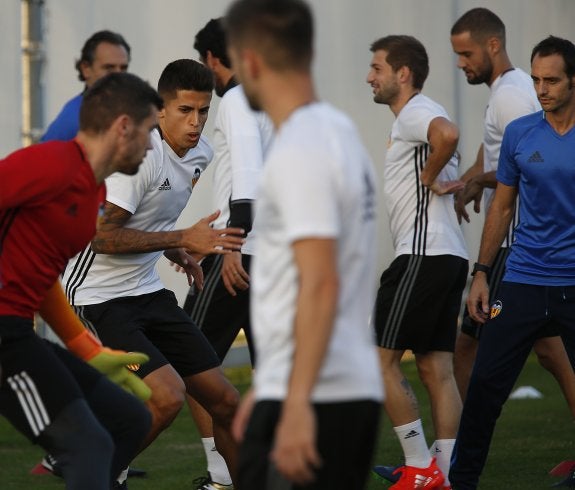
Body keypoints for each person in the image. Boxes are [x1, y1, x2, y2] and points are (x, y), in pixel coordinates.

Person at [62, 58, 245, 487]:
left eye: (203, 110)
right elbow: (102, 238)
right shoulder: (140, 158)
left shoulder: (202, 152)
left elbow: (154, 220)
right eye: (185, 110)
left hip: (146, 290)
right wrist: (182, 237)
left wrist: (180, 251)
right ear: (160, 110)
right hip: (97, 296)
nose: (196, 121)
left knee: (226, 402)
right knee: (167, 397)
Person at [225, 1, 383, 488]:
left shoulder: (300, 150)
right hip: (332, 385)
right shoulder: (338, 132)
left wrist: (294, 403)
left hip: (317, 396)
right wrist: (271, 383)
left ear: (249, 61)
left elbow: (320, 281)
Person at [0, 72, 162, 490]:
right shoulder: (50, 164)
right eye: (149, 131)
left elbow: (41, 277)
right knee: (86, 446)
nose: (151, 144)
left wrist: (86, 348)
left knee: (130, 419)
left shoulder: (94, 193)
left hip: (18, 332)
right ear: (123, 126)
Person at [449, 35, 575, 490]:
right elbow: (501, 208)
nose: (541, 89)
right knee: (484, 388)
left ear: (573, 81)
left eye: (552, 80)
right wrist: (481, 274)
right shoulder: (522, 132)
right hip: (522, 279)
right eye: (537, 79)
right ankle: (461, 481)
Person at [367, 35, 468, 489]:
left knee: (380, 362)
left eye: (377, 68)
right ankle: (442, 474)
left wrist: (430, 177)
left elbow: (447, 134)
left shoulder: (415, 112)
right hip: (449, 256)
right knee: (435, 368)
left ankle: (421, 469)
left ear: (401, 74)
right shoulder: (421, 111)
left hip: (423, 256)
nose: (370, 77)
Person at [182, 17, 274, 490]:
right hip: (273, 255)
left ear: (214, 59)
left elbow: (248, 190)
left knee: (186, 360)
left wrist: (232, 248)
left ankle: (224, 472)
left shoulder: (238, 99)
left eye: (205, 63)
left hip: (236, 248)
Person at [41, 30, 130, 142]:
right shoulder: (73, 120)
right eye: (109, 68)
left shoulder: (129, 112)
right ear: (86, 69)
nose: (119, 76)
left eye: (123, 68)